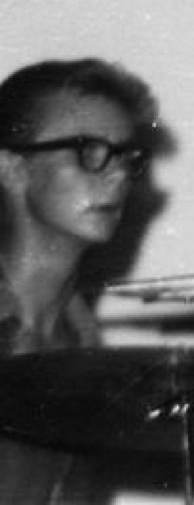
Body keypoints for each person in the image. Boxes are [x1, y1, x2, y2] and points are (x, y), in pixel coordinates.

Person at [0, 57, 157, 503]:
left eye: (127, 157)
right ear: (12, 167)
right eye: (89, 151)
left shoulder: (83, 345)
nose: (119, 174)